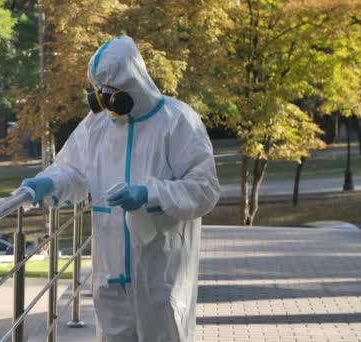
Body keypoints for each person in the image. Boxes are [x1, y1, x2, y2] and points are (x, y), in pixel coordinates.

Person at [18, 36, 220, 342]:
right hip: (111, 271)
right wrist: (48, 183)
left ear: (135, 84)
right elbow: (73, 169)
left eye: (112, 93)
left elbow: (204, 189)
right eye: (101, 92)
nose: (105, 100)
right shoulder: (98, 124)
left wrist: (149, 194)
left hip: (159, 269)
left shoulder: (178, 121)